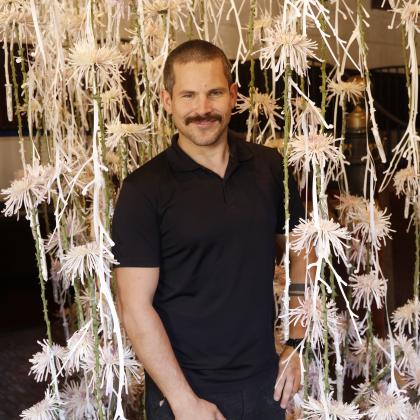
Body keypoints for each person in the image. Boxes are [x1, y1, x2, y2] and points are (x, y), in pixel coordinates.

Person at [112, 39, 313, 420]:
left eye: (214, 93)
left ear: (233, 95)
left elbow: (302, 250)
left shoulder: (270, 167)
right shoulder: (144, 190)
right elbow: (134, 308)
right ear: (167, 101)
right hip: (185, 392)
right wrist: (184, 401)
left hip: (265, 383)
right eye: (188, 95)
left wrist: (296, 343)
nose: (202, 109)